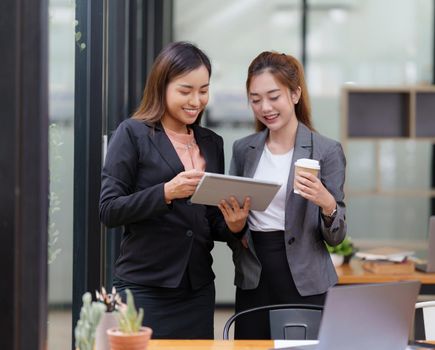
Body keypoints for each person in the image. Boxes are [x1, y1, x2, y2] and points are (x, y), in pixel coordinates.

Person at [99, 41, 245, 339]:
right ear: (161, 86)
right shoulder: (133, 133)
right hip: (144, 287)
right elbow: (109, 209)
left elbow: (210, 220)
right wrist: (166, 191)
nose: (196, 100)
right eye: (185, 90)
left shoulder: (211, 142)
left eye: (203, 90)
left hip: (197, 289)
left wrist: (234, 226)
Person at [219, 51, 347, 339]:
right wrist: (236, 227)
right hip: (255, 278)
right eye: (255, 99)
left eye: (273, 96)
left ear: (295, 94)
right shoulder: (243, 149)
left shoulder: (326, 151)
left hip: (306, 281)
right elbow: (233, 230)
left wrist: (326, 202)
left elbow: (336, 237)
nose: (265, 107)